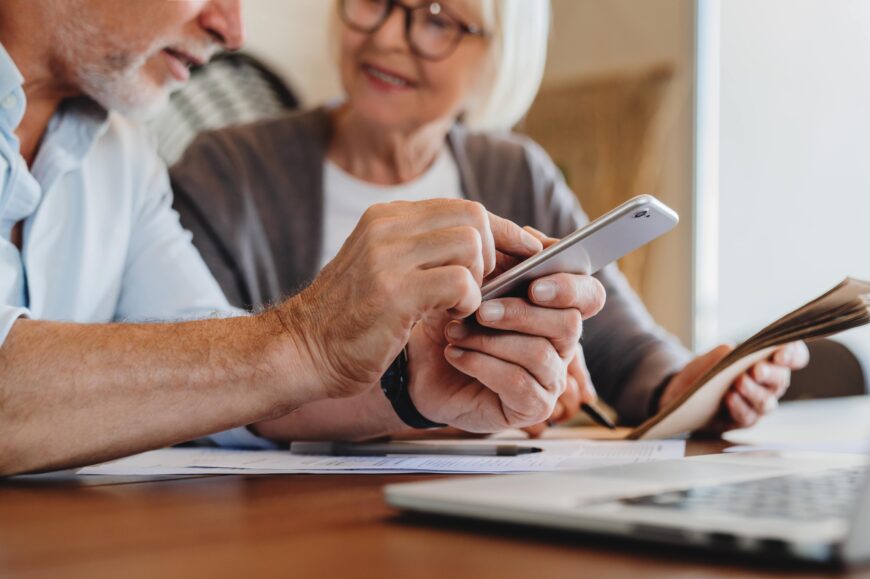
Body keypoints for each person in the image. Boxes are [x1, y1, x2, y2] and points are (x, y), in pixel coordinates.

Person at [0, 0, 606, 476]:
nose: (232, 29)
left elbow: (217, 374)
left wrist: (409, 383)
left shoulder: (124, 156)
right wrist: (306, 337)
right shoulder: (226, 163)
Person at [171, 0, 808, 435]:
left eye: (440, 19)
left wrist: (683, 387)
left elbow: (625, 348)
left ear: (499, 52)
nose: (390, 36)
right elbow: (201, 378)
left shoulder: (516, 174)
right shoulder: (230, 171)